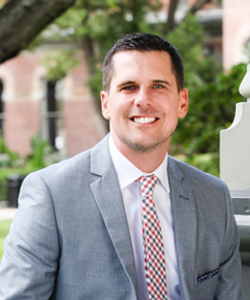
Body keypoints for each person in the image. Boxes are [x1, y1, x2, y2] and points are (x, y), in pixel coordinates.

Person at [0, 33, 242, 300]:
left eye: (158, 86)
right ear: (106, 103)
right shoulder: (51, 194)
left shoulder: (213, 196)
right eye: (128, 87)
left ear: (182, 102)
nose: (143, 100)